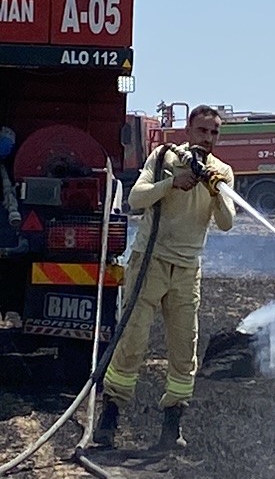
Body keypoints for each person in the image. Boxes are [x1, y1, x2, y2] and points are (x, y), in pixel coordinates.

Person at [102, 104, 238, 452]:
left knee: (184, 348)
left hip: (187, 270)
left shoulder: (222, 172)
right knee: (132, 341)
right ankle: (109, 419)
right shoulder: (163, 157)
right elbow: (136, 198)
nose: (208, 138)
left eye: (214, 133)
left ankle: (172, 425)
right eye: (202, 131)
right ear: (188, 131)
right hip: (150, 263)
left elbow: (227, 223)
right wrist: (171, 183)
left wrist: (215, 191)